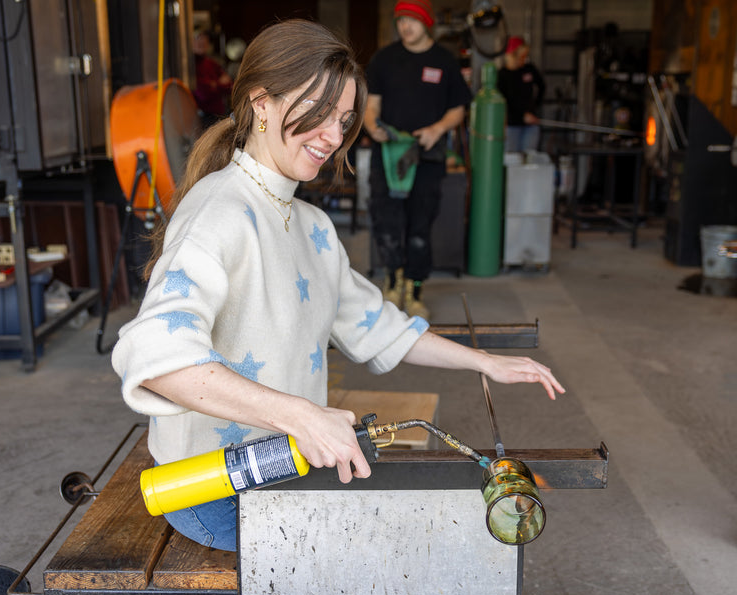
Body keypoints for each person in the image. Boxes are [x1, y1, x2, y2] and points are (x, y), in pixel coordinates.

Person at [111, 18, 564, 553]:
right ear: (262, 102)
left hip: (287, 465)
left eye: (345, 120)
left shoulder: (312, 226)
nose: (333, 136)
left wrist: (483, 361)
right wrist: (301, 415)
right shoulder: (218, 210)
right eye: (319, 114)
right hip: (214, 486)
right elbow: (160, 360)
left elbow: (376, 325)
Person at [363, 0, 472, 320]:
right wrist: (373, 127)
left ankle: (415, 291)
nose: (405, 26)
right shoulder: (384, 59)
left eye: (412, 20)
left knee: (420, 224)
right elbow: (372, 106)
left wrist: (437, 129)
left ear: (427, 22)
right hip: (391, 154)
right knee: (387, 220)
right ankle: (392, 284)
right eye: (401, 20)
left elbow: (458, 109)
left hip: (427, 156)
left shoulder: (444, 61)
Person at [497, 36, 545, 153]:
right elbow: (505, 102)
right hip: (512, 124)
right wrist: (521, 115)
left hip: (531, 124)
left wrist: (534, 108)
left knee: (530, 157)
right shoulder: (502, 75)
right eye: (521, 56)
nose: (524, 59)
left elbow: (542, 86)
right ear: (512, 56)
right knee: (512, 157)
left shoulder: (529, 69)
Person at [192, 29, 233, 129]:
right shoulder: (190, 65)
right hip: (200, 118)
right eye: (198, 39)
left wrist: (213, 85)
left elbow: (230, 86)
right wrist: (219, 84)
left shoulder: (212, 64)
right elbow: (202, 94)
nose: (201, 42)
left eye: (204, 39)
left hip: (217, 115)